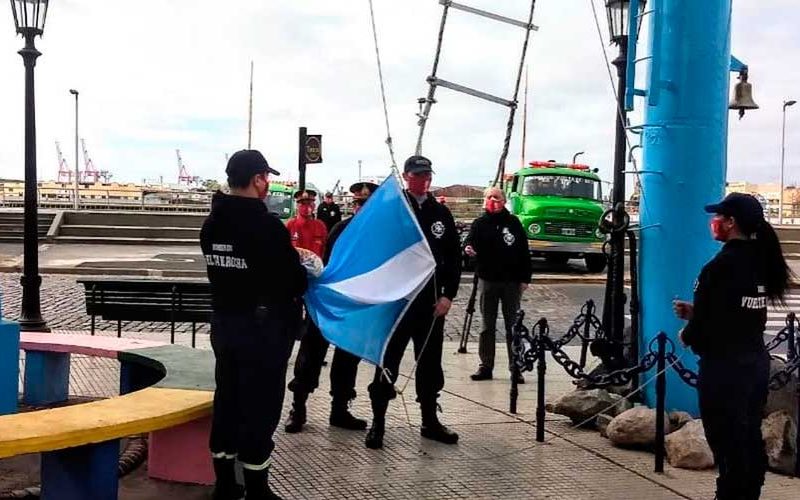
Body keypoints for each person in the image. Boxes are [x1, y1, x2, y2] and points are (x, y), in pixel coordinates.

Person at [201, 149, 307, 500]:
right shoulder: (266, 226)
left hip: (225, 326)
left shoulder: (212, 223)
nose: (268, 184)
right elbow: (292, 281)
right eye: (266, 178)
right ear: (258, 179)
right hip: (262, 332)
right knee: (261, 408)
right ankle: (257, 490)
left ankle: (225, 485)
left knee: (228, 401)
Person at [673, 193, 792, 500]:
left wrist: (688, 332)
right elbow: (739, 311)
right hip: (754, 366)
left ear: (730, 223)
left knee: (727, 445)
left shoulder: (719, 266)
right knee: (748, 439)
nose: (714, 223)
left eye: (719, 217)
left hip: (724, 370)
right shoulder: (763, 261)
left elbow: (704, 329)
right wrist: (697, 311)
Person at [365, 155, 462, 450]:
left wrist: (448, 295)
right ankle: (378, 422)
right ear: (407, 177)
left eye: (428, 174)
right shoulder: (396, 211)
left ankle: (429, 420)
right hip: (398, 303)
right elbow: (376, 251)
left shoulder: (440, 213)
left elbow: (454, 258)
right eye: (419, 175)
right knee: (388, 362)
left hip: (430, 304)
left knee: (430, 364)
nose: (425, 180)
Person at [284, 181, 379, 433]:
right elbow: (322, 266)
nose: (360, 208)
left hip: (357, 305)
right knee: (311, 353)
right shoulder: (340, 229)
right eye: (357, 203)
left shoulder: (379, 236)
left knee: (348, 359)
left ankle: (340, 408)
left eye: (365, 204)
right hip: (327, 301)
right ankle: (299, 407)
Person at [464, 186, 532, 383]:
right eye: (489, 197)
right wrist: (468, 249)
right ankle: (486, 365)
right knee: (487, 325)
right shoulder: (479, 223)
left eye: (496, 197)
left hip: (511, 281)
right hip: (488, 279)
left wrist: (525, 278)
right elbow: (469, 243)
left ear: (503, 200)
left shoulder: (513, 223)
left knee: (513, 325)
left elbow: (523, 251)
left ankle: (515, 367)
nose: (493, 200)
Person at [286, 190, 327, 258]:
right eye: (303, 204)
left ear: (314, 205)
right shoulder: (290, 225)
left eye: (309, 203)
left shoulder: (320, 226)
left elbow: (325, 250)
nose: (306, 207)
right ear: (297, 206)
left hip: (316, 267)